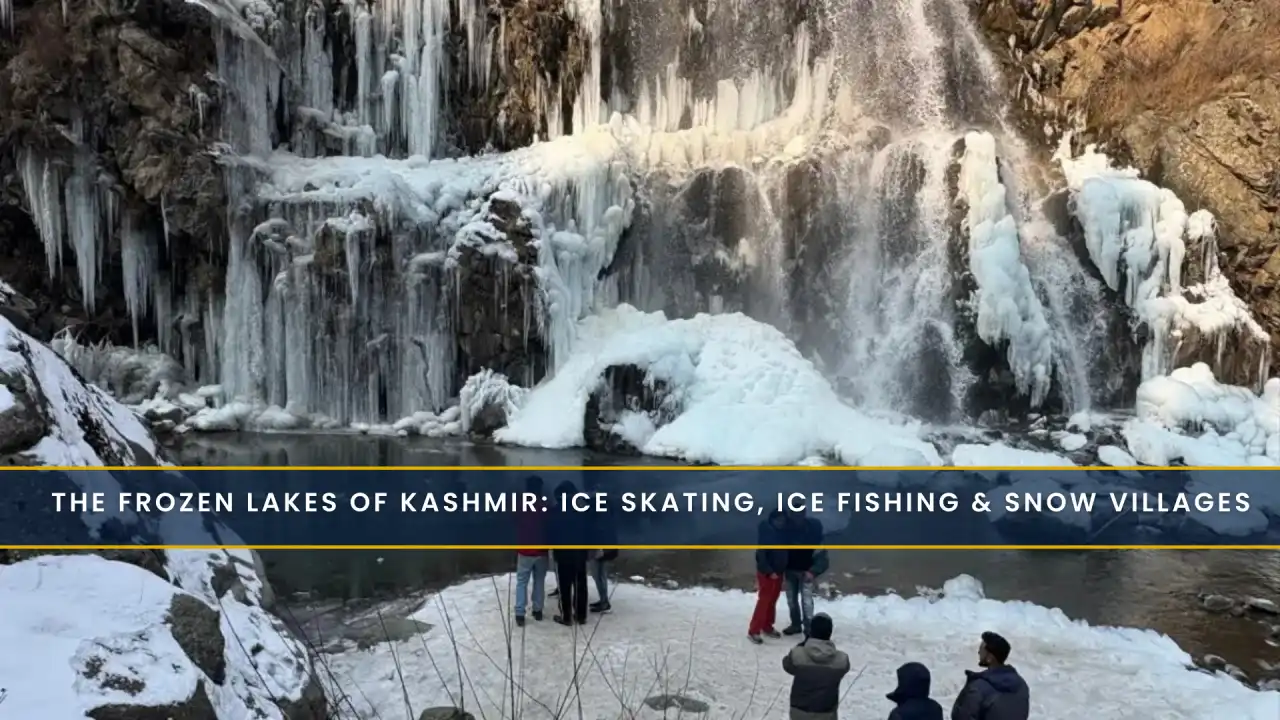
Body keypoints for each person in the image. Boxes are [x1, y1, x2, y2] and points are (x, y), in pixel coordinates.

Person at [782, 613, 850, 720]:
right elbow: (845, 668)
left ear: (811, 631)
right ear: (830, 632)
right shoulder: (842, 660)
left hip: (799, 711)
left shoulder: (797, 654)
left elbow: (787, 665)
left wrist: (801, 646)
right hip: (827, 713)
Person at [950, 632, 1030, 720]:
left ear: (990, 658)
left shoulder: (978, 688)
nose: (978, 652)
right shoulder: (1022, 686)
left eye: (981, 649)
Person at [782, 507, 829, 637]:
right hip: (790, 571)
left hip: (806, 572)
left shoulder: (813, 529)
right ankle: (796, 624)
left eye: (799, 514)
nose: (796, 517)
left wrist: (813, 572)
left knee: (807, 601)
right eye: (794, 514)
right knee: (791, 601)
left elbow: (821, 555)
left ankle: (809, 629)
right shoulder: (786, 530)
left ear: (804, 514)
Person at [548, 480, 589, 626]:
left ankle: (566, 616)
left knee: (564, 586)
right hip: (580, 553)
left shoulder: (555, 511)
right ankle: (581, 615)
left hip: (563, 554)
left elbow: (551, 533)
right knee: (580, 584)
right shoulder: (582, 510)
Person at [748, 509, 789, 643]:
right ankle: (754, 630)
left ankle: (767, 626)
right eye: (778, 520)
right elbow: (761, 556)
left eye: (783, 520)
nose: (781, 523)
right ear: (772, 520)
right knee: (764, 601)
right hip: (767, 574)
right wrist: (769, 572)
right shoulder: (767, 534)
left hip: (778, 573)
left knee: (772, 601)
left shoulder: (782, 533)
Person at [513, 475, 548, 627]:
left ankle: (520, 613)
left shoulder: (520, 504)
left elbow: (514, 521)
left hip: (524, 549)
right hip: (541, 550)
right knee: (539, 581)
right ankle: (538, 610)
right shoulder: (544, 505)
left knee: (521, 582)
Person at [589, 492, 619, 613]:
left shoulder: (599, 514)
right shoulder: (608, 511)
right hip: (607, 547)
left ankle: (604, 601)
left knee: (598, 575)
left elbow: (599, 531)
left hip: (599, 548)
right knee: (601, 575)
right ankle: (603, 599)